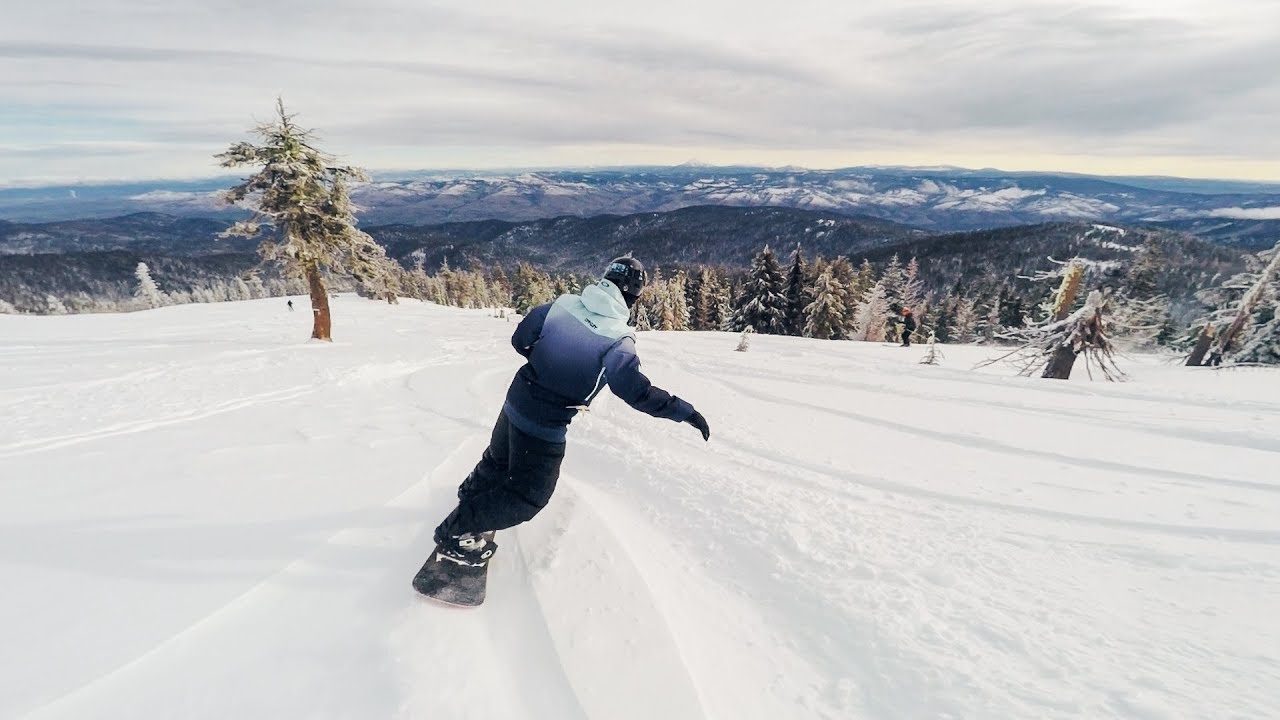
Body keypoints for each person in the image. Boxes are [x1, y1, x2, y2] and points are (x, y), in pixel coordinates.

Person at [429, 256, 710, 565]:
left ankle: (471, 496)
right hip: (545, 424)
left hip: (515, 399)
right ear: (633, 294)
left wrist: (544, 364)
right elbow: (635, 392)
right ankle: (456, 532)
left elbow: (520, 339)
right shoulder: (619, 339)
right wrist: (686, 412)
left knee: (498, 461)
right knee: (528, 497)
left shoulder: (561, 305)